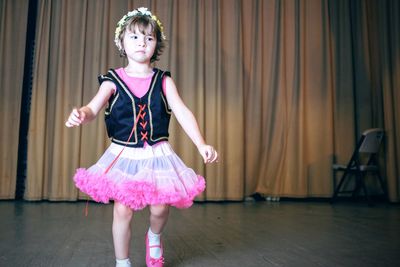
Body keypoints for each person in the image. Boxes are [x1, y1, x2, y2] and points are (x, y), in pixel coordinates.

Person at [65, 7, 218, 267]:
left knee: (160, 207)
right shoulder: (112, 80)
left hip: (158, 154)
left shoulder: (163, 80)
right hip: (124, 155)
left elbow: (182, 112)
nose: (142, 43)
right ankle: (122, 262)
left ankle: (154, 236)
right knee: (122, 210)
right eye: (135, 37)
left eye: (149, 38)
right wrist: (81, 113)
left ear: (156, 44)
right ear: (122, 42)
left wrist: (201, 143)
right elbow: (92, 109)